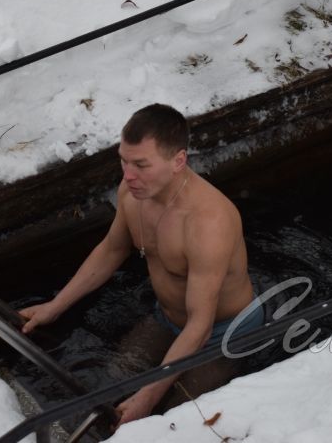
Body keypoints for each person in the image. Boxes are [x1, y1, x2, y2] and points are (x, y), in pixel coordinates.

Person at [19, 103, 263, 426]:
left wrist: (148, 398)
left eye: (141, 165)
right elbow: (111, 250)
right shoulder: (132, 193)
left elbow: (200, 326)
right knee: (113, 380)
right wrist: (55, 306)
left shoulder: (208, 222)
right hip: (168, 317)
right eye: (123, 160)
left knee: (174, 414)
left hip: (223, 331)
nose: (128, 175)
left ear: (178, 161)